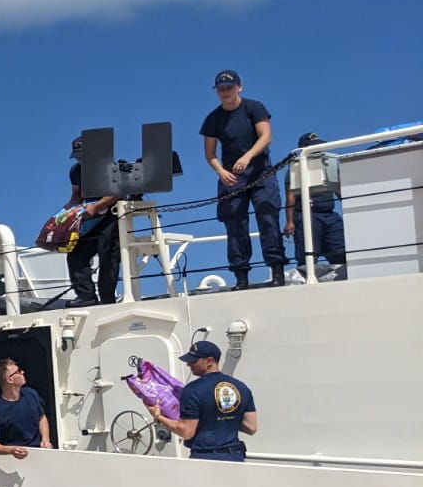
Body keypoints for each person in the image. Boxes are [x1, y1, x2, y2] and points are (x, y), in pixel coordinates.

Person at [200, 70, 286, 289]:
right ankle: (241, 277)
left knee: (268, 218)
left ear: (239, 87)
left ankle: (277, 271)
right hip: (232, 177)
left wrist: (247, 156)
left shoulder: (254, 107)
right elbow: (210, 154)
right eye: (221, 89)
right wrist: (221, 171)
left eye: (229, 87)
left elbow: (266, 136)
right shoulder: (213, 119)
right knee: (235, 224)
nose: (225, 92)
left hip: (260, 172)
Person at [145, 340, 257, 462]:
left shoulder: (192, 390)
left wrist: (158, 416)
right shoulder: (241, 387)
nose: (188, 365)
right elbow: (251, 427)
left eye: (193, 361)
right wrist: (224, 418)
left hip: (205, 459)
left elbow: (186, 432)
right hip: (235, 457)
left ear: (209, 361)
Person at [284, 132, 347, 280]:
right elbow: (290, 196)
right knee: (308, 256)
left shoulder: (329, 165)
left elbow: (338, 188)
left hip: (329, 214)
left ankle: (342, 280)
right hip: (307, 214)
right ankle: (307, 283)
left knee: (340, 251)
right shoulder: (295, 168)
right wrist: (290, 221)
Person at [66, 136, 121, 306]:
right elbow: (76, 195)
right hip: (89, 220)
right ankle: (86, 296)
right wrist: (67, 211)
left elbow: (117, 193)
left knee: (108, 257)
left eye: (83, 156)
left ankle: (107, 299)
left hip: (109, 218)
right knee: (75, 254)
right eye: (77, 156)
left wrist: (97, 206)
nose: (80, 160)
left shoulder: (110, 168)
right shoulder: (75, 171)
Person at [0, 360, 52, 459]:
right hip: (14, 460)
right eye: (18, 371)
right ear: (10, 380)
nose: (22, 372)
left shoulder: (31, 393)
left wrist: (45, 439)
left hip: (39, 453)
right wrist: (11, 450)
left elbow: (41, 417)